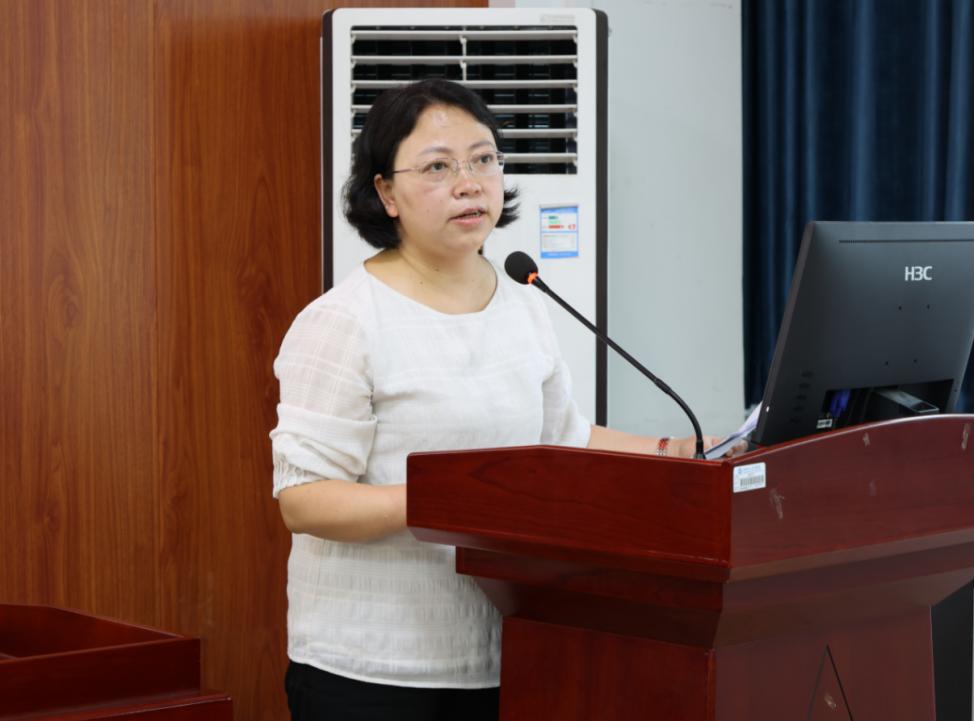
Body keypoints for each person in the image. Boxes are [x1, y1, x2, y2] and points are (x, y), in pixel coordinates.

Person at [270, 78, 725, 721]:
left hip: (513, 651)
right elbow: (305, 498)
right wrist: (456, 499)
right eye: (438, 167)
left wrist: (677, 452)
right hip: (376, 670)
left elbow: (560, 438)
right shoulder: (345, 321)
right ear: (386, 193)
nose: (469, 183)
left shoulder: (519, 299)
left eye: (483, 159)